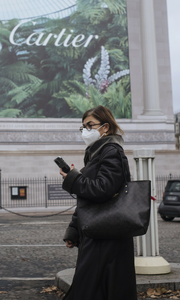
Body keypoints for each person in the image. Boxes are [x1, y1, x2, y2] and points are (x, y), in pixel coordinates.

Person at [60, 105, 136, 300]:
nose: (85, 131)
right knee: (94, 289)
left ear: (105, 128)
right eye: (83, 127)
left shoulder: (111, 151)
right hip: (98, 232)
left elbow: (103, 189)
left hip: (107, 236)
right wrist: (74, 231)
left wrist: (73, 179)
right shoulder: (96, 153)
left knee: (92, 290)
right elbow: (86, 200)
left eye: (90, 125)